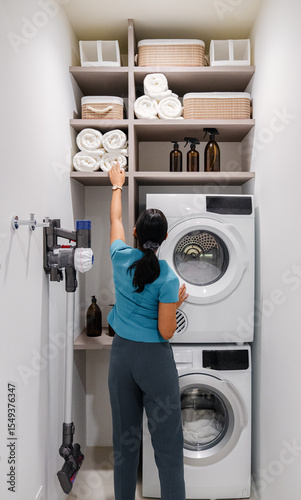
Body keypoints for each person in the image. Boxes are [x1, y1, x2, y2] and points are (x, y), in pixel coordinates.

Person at [107, 163, 188, 500]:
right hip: (154, 361)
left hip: (122, 357)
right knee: (168, 446)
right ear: (166, 238)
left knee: (124, 442)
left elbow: (114, 222)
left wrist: (117, 186)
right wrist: (177, 304)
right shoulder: (168, 278)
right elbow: (166, 332)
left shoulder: (119, 257)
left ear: (136, 234)